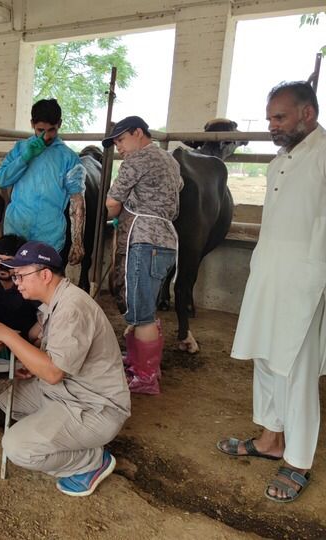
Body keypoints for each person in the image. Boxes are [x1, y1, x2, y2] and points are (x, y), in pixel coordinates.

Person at [217, 81, 326, 503]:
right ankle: (269, 440)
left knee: (294, 367)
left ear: (307, 113)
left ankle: (298, 460)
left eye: (279, 117)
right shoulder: (279, 162)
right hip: (268, 274)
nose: (272, 127)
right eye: (269, 119)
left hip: (307, 279)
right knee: (264, 356)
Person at [0, 241, 130, 497]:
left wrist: (7, 335)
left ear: (45, 275)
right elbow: (52, 361)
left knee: (17, 447)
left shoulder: (73, 307)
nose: (16, 280)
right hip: (65, 393)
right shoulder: (57, 301)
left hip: (93, 407)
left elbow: (53, 373)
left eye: (21, 275)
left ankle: (91, 461)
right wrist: (30, 365)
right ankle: (54, 434)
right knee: (2, 391)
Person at [103, 116, 183, 395]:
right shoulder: (170, 160)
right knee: (145, 305)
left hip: (144, 240)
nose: (120, 148)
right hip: (165, 242)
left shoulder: (136, 160)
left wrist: (106, 216)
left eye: (121, 140)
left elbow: (112, 203)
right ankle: (140, 362)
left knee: (142, 313)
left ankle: (146, 377)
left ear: (138, 133)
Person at [0, 99, 86, 266]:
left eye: (52, 130)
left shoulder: (69, 158)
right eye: (40, 130)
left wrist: (78, 242)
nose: (47, 136)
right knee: (15, 282)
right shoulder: (20, 149)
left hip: (49, 236)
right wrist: (25, 158)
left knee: (44, 285)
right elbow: (2, 180)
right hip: (16, 231)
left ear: (59, 124)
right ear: (32, 124)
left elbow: (77, 200)